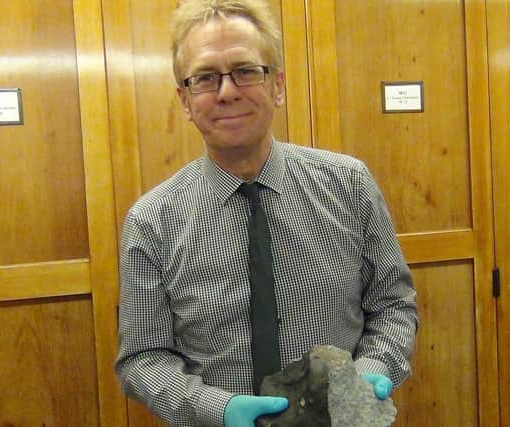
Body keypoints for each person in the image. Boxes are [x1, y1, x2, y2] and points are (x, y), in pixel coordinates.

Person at [115, 0, 418, 426]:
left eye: (244, 70)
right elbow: (142, 358)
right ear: (184, 100)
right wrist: (217, 410)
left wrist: (373, 371)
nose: (227, 91)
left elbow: (393, 305)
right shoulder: (151, 222)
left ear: (277, 85)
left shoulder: (349, 184)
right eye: (205, 77)